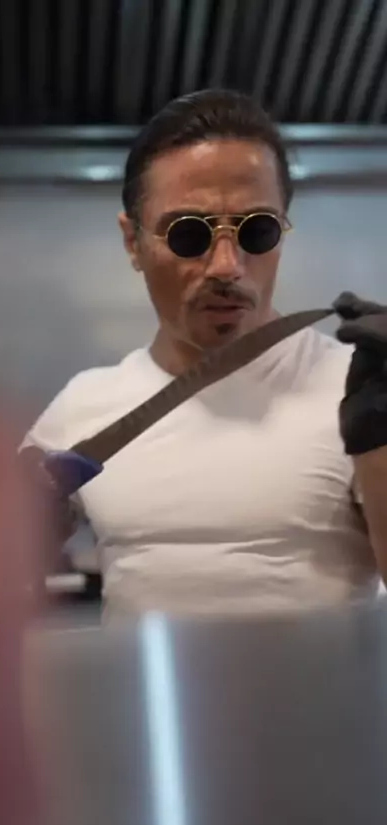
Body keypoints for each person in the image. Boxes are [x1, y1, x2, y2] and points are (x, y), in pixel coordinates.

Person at [23, 89, 387, 620]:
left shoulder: (358, 392)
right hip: (145, 679)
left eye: (256, 230)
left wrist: (378, 446)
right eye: (188, 235)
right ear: (133, 243)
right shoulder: (83, 407)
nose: (226, 266)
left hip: (328, 680)